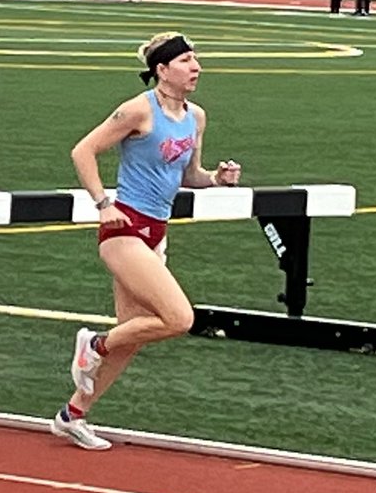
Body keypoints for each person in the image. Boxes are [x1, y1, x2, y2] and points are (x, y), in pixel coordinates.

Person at [53, 31, 241, 450]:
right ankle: (93, 344)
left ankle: (73, 415)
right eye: (187, 61)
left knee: (133, 335)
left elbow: (190, 176)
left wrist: (217, 179)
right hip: (124, 229)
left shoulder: (196, 117)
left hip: (157, 230)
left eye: (196, 60)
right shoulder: (137, 111)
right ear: (162, 69)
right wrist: (103, 203)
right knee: (179, 318)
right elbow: (82, 151)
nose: (196, 68)